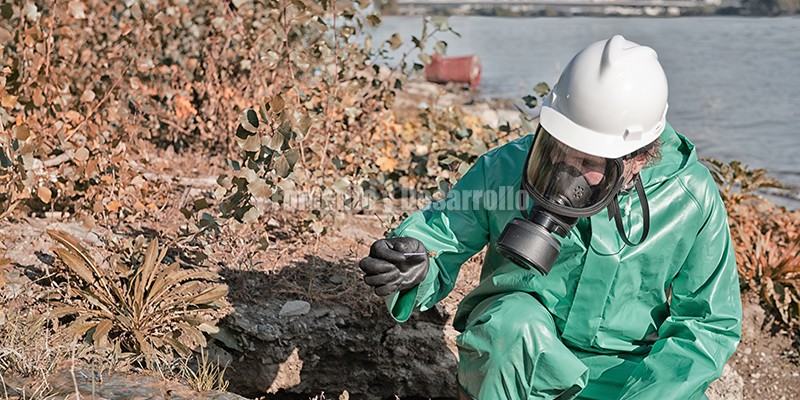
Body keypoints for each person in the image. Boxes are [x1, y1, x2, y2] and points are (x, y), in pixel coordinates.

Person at [358, 35, 742, 399]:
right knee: (508, 325)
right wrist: (412, 259)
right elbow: (443, 234)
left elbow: (707, 324)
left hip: (626, 376)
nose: (566, 169)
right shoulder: (507, 168)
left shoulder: (690, 198)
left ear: (639, 156)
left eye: (589, 161)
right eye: (559, 147)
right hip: (524, 357)